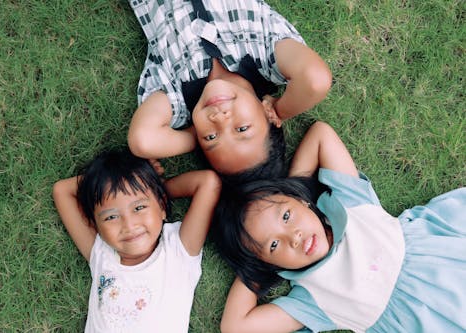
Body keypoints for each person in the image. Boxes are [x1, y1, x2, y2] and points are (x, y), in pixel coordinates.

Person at [212, 121, 466, 332]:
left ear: (302, 203)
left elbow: (321, 134)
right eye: (274, 244)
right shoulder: (311, 299)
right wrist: (254, 270)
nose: (294, 237)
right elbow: (235, 327)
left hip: (447, 268)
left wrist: (294, 188)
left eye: (287, 216)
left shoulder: (350, 205)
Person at [127, 0, 332, 182]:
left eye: (211, 137)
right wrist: (279, 109)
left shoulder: (177, 94)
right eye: (242, 129)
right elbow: (315, 81)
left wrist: (196, 135)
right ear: (268, 118)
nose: (220, 119)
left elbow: (142, 140)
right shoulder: (265, 56)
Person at [52, 149, 221, 332]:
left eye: (139, 207)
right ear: (96, 225)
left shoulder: (178, 249)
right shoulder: (101, 253)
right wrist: (106, 180)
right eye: (111, 217)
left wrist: (152, 186)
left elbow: (208, 183)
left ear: (162, 206)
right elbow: (62, 191)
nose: (129, 225)